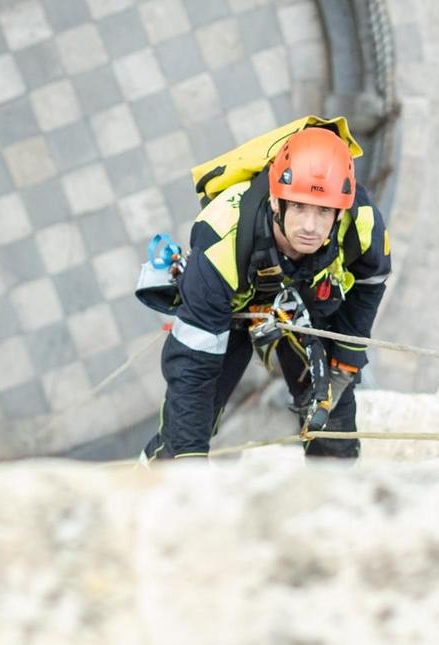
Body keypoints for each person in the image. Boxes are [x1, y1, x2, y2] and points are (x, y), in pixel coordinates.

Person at [142, 123, 392, 461]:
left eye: (323, 212)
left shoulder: (361, 223)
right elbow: (192, 367)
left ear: (340, 210)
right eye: (300, 207)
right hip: (230, 311)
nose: (310, 226)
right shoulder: (223, 240)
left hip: (303, 305)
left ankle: (330, 501)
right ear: (277, 200)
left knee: (334, 430)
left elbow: (369, 283)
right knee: (182, 438)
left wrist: (346, 356)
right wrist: (188, 460)